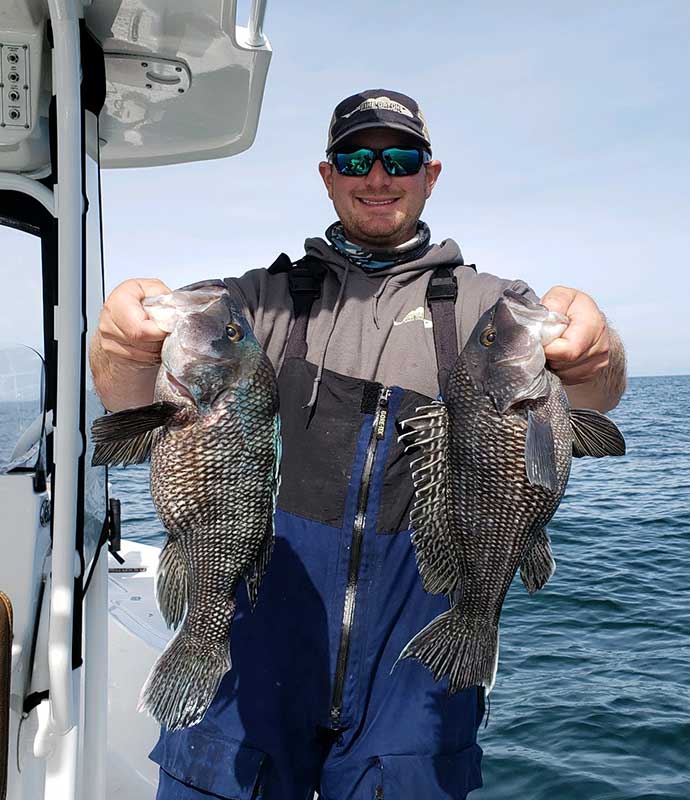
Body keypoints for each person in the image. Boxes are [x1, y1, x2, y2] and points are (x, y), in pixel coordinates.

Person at [90, 89, 626, 800]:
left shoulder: (488, 310)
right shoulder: (256, 302)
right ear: (328, 175)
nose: (378, 176)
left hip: (414, 669)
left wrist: (595, 354)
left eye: (400, 158)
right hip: (256, 647)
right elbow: (125, 401)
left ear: (429, 175)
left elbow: (597, 398)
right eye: (357, 158)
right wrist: (122, 343)